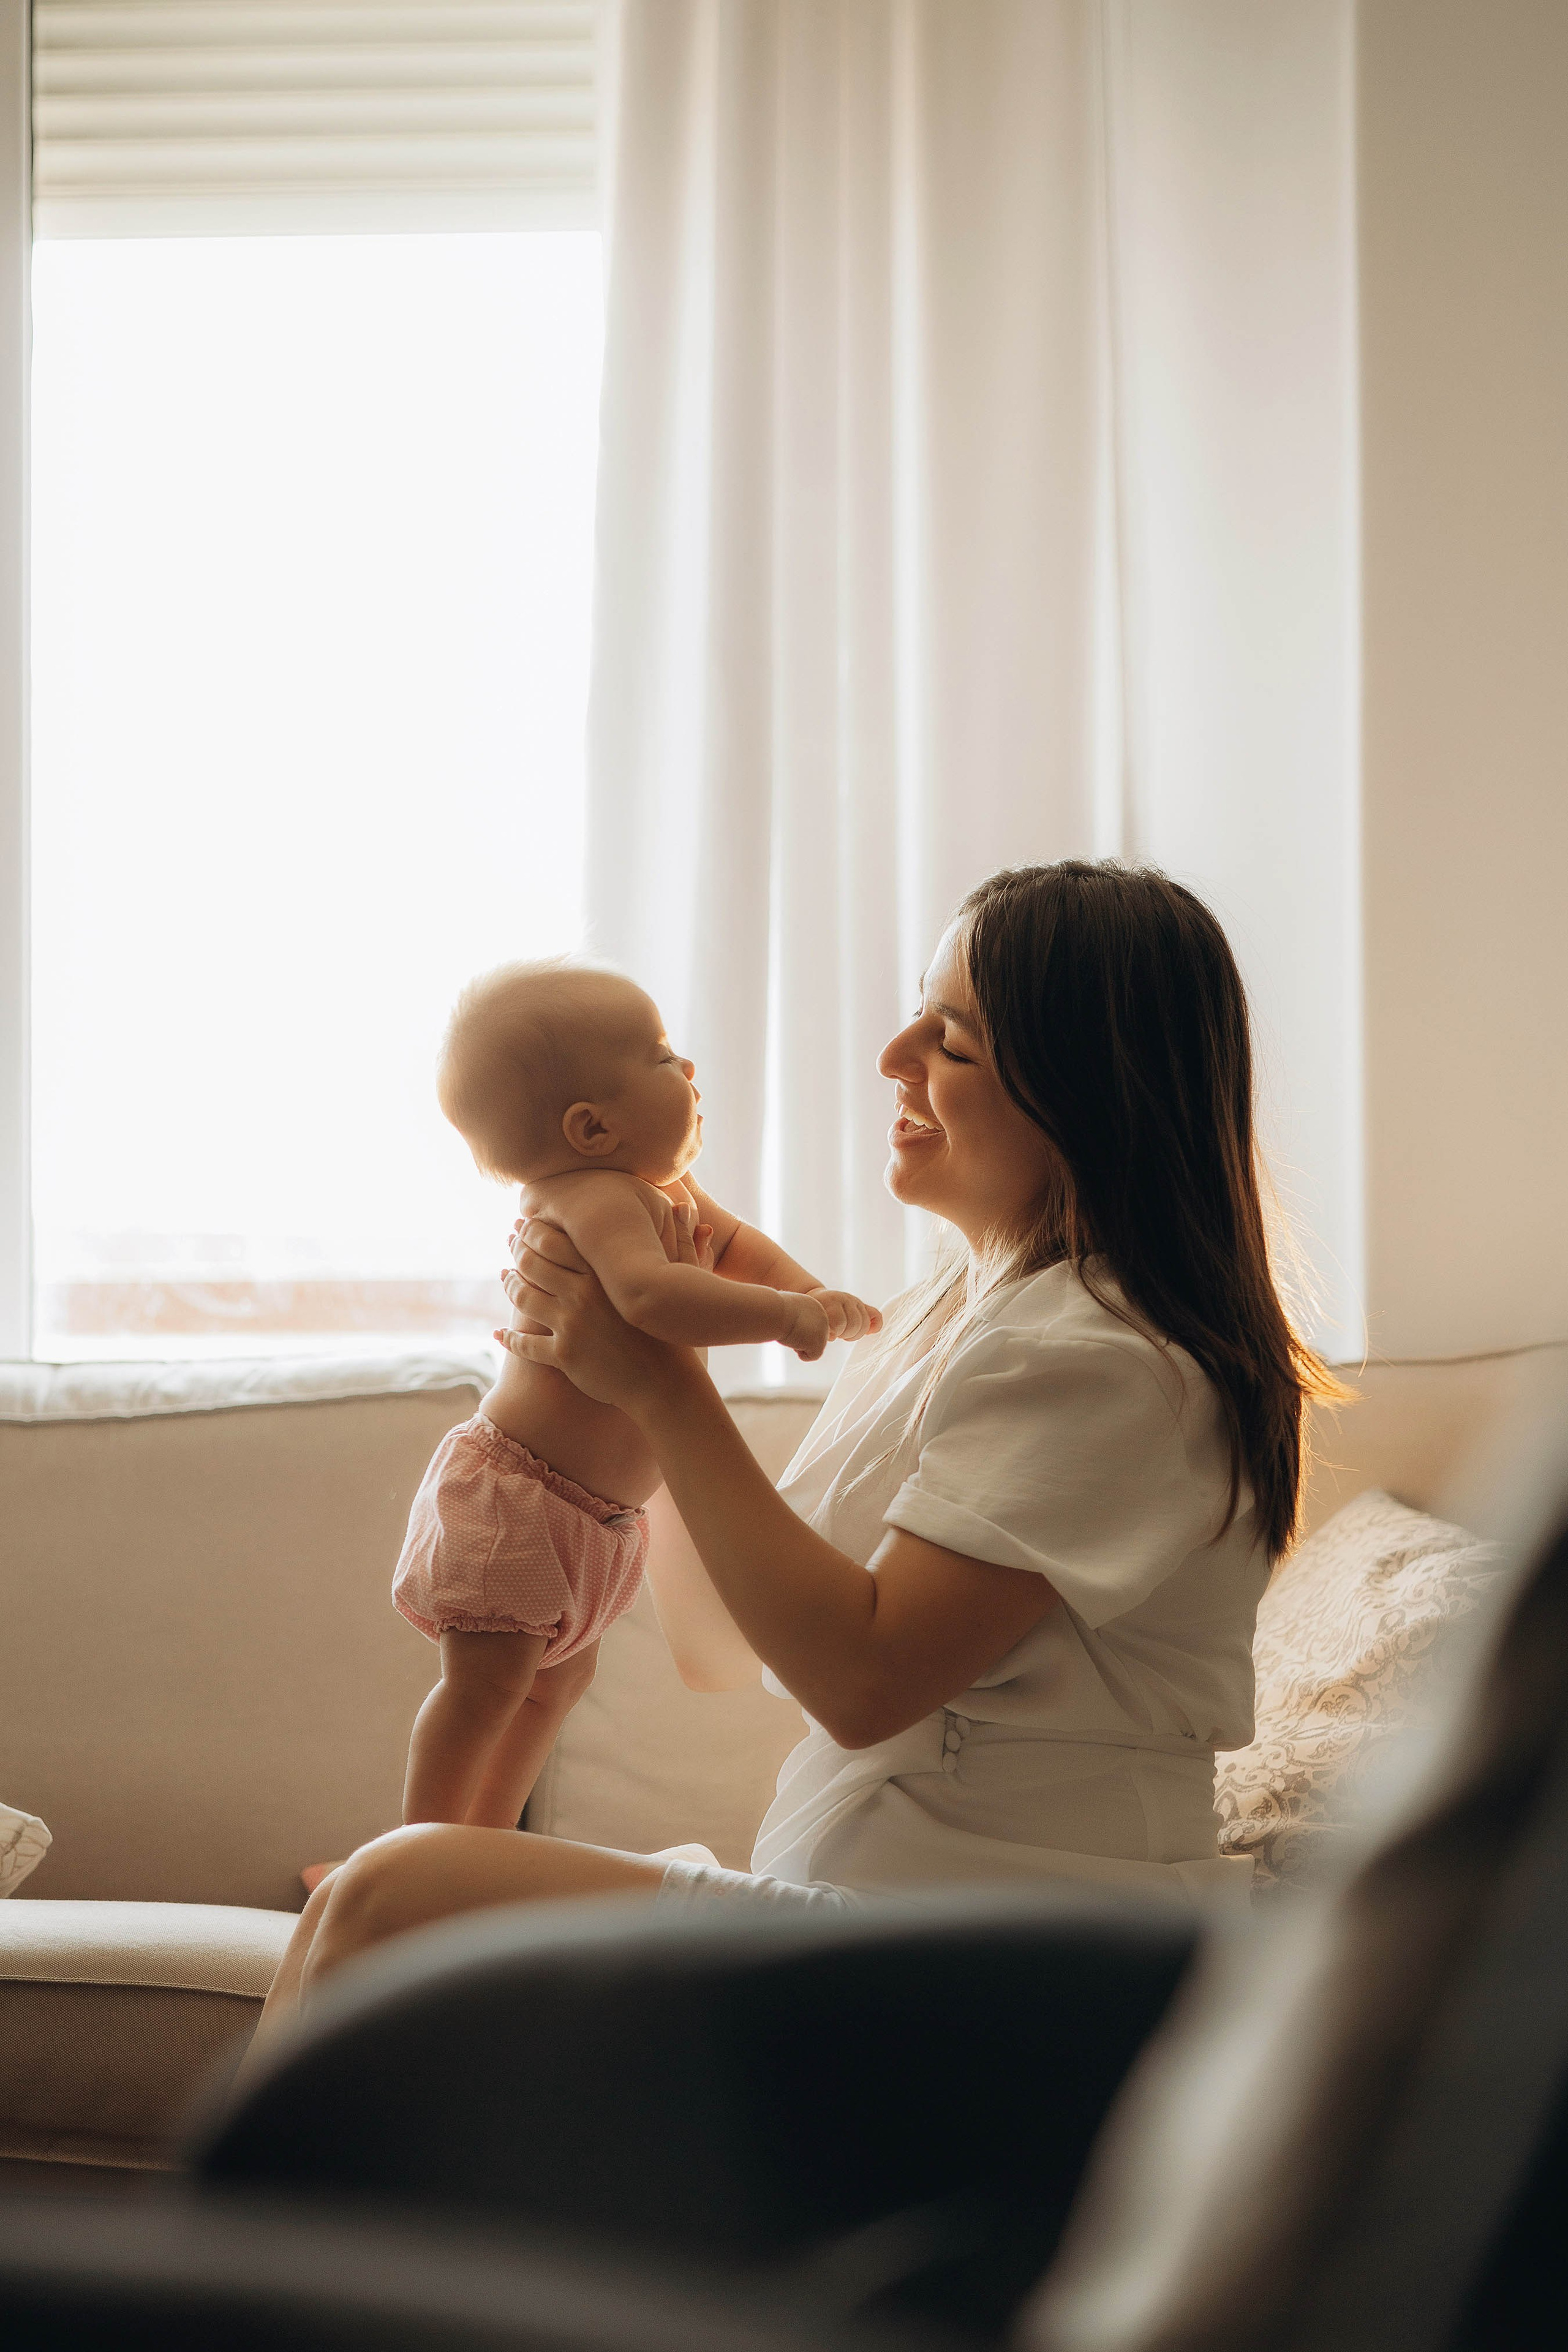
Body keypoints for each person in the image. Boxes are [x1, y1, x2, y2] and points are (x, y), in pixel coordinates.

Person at [250, 859, 1339, 2054]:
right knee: (377, 1899)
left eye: (953, 1041)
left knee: (393, 1891)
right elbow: (719, 1646)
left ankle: (243, 2244)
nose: (893, 1055)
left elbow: (864, 1687)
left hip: (1011, 1956)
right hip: (882, 1915)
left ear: (1086, 1092)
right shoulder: (947, 1321)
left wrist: (658, 1382)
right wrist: (628, 1372)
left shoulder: (1106, 1353)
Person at [391, 958, 880, 1830]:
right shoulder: (592, 1199)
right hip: (521, 1499)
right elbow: (651, 1297)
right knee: (486, 1687)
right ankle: (418, 1844)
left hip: (587, 1519)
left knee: (556, 1683)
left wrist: (814, 1296)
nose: (687, 1070)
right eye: (659, 1057)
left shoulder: (660, 1191)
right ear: (591, 1127)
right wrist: (786, 1318)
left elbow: (741, 1249)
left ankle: (483, 1844)